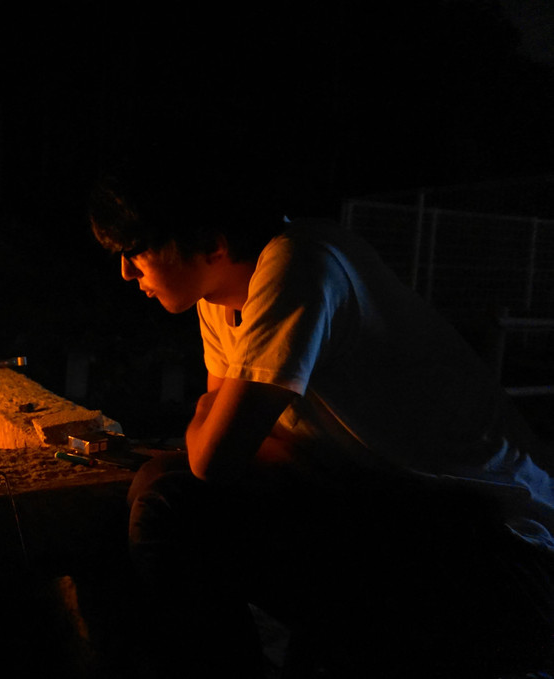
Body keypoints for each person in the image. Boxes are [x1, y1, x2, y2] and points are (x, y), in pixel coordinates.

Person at [89, 138, 554, 677]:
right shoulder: (220, 296)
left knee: (170, 498)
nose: (127, 272)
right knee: (162, 485)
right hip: (398, 516)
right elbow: (239, 446)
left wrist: (213, 427)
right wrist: (217, 429)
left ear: (212, 243)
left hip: (501, 554)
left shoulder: (298, 265)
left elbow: (214, 457)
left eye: (137, 251)